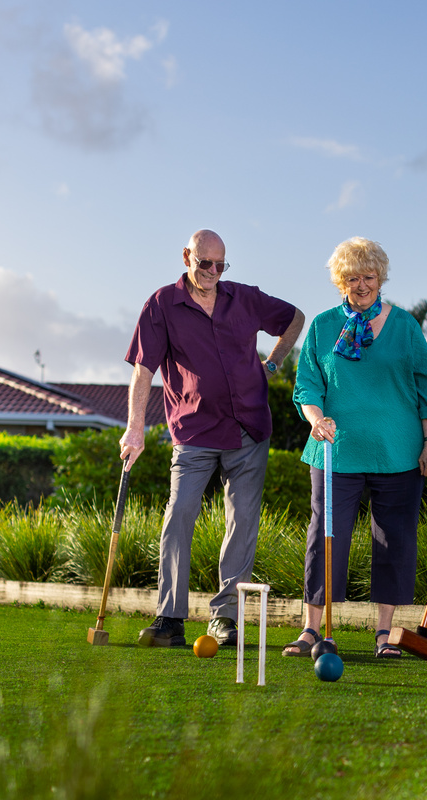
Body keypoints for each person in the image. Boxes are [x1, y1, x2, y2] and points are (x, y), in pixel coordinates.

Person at [122, 229, 305, 647]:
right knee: (179, 514)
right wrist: (135, 427)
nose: (212, 272)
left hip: (249, 428)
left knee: (242, 523)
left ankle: (224, 618)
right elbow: (143, 370)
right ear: (186, 256)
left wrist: (274, 363)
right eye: (205, 263)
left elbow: (295, 318)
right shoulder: (161, 304)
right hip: (194, 431)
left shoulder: (244, 298)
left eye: (221, 265)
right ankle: (170, 618)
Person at [285, 237, 427, 659]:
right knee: (325, 537)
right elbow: (307, 385)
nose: (361, 285)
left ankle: (385, 633)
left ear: (381, 277)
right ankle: (311, 629)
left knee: (394, 541)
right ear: (341, 281)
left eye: (368, 277)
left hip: (398, 451)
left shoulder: (405, 326)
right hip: (335, 451)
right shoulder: (322, 326)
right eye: (352, 278)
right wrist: (316, 419)